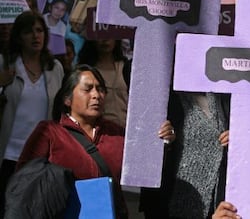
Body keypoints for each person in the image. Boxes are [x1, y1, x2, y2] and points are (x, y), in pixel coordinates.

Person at [16, 64, 176, 218]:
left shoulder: (116, 133)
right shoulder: (50, 132)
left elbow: (145, 167)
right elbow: (25, 180)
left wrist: (162, 142)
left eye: (100, 89)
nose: (96, 95)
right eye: (87, 89)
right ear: (67, 99)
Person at [0, 11, 64, 216]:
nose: (36, 36)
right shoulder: (5, 64)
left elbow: (61, 110)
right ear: (19, 36)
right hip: (7, 155)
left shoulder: (55, 68)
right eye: (29, 32)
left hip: (40, 157)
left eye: (39, 31)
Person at [140, 92, 230, 219]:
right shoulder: (164, 96)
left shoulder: (225, 95)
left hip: (218, 201)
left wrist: (237, 141)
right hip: (172, 199)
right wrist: (165, 141)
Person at [78, 39, 131, 127]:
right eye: (101, 36)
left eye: (110, 34)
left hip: (128, 131)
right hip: (101, 132)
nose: (105, 40)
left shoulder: (126, 67)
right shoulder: (85, 71)